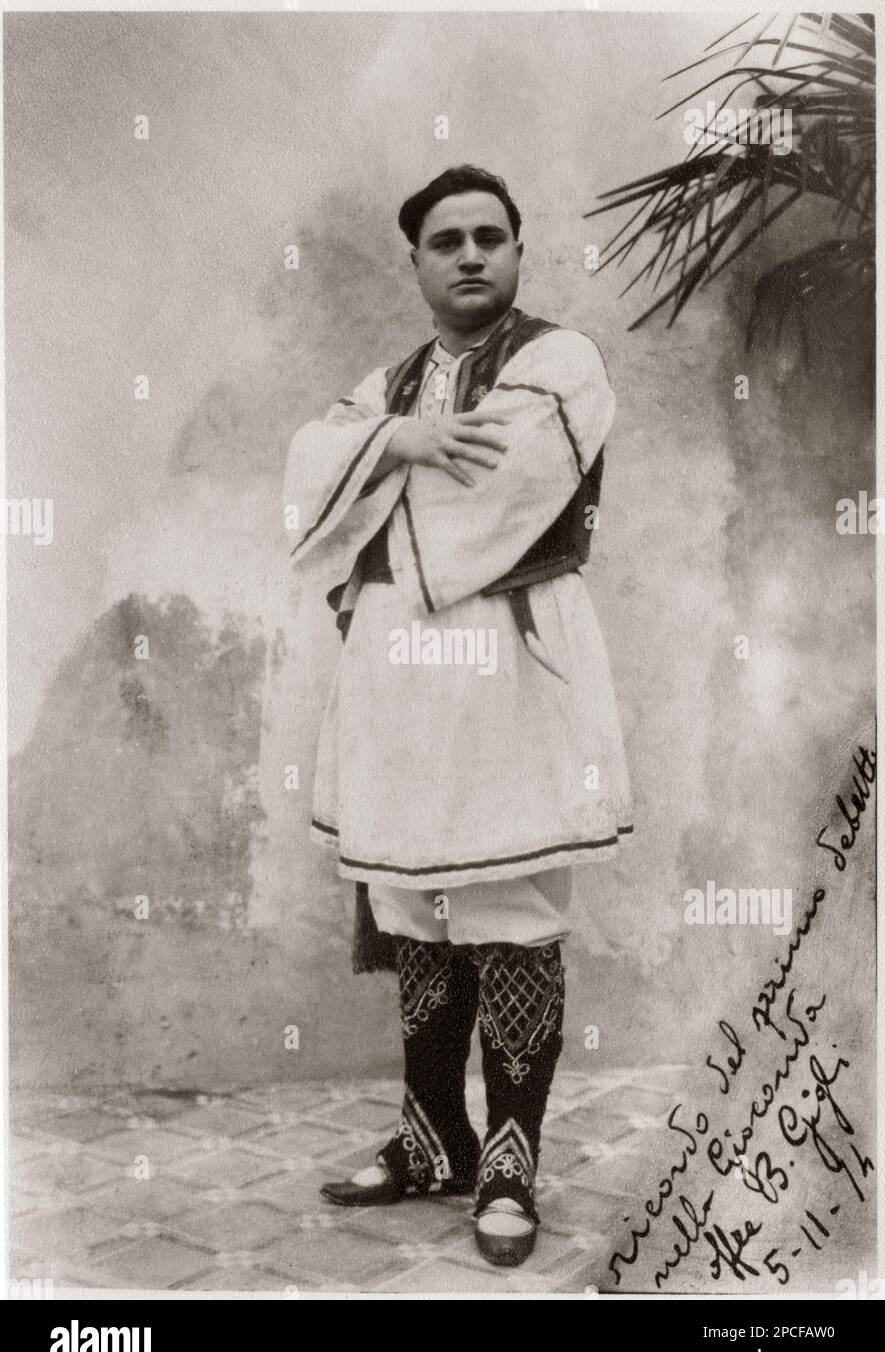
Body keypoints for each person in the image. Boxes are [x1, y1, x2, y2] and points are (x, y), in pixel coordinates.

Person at [283, 165, 633, 1267]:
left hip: (509, 668)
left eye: (491, 236)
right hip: (395, 681)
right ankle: (433, 1137)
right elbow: (302, 487)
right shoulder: (387, 385)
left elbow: (494, 493)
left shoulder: (559, 364)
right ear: (420, 264)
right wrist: (395, 442)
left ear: (520, 254)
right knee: (416, 910)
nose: (472, 254)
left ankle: (512, 1162)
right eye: (447, 240)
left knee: (509, 905)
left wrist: (368, 476)